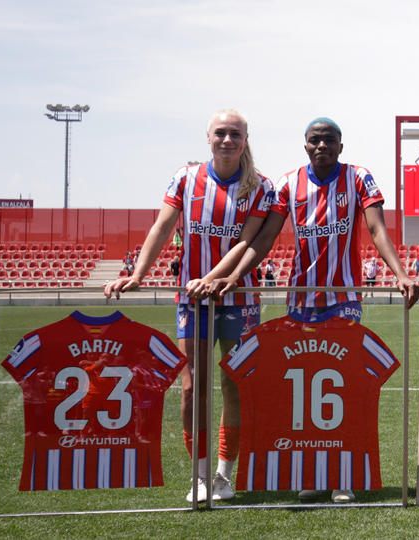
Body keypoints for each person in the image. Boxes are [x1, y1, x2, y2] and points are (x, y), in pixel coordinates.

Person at [202, 117, 419, 503]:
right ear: (305, 146)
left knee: (344, 386)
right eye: (315, 141)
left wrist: (400, 274)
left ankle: (341, 477)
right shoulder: (289, 183)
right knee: (302, 393)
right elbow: (265, 238)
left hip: (344, 300)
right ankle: (312, 472)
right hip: (299, 300)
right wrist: (235, 275)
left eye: (329, 140)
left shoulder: (359, 178)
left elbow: (378, 229)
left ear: (340, 145)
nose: (322, 146)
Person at [104, 108, 274, 503]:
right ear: (209, 138)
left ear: (245, 139)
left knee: (234, 386)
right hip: (192, 299)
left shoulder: (260, 187)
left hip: (240, 296)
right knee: (191, 388)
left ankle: (223, 475)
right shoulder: (186, 178)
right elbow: (162, 226)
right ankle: (198, 477)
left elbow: (246, 243)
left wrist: (213, 278)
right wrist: (139, 273)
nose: (227, 140)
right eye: (220, 133)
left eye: (235, 133)